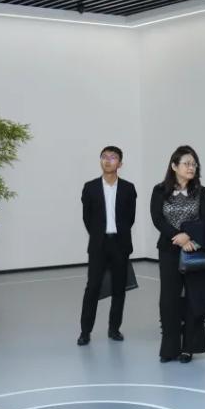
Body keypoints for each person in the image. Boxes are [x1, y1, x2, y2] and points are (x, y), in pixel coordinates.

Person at [150, 146, 205, 364]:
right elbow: (157, 219)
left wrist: (189, 237)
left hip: (195, 249)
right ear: (174, 166)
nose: (191, 167)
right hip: (169, 250)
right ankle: (169, 347)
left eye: (194, 164)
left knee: (194, 298)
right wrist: (178, 236)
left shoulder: (201, 191)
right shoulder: (159, 190)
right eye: (187, 163)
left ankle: (189, 348)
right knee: (169, 299)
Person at [77, 146, 137, 346]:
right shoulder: (90, 187)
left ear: (120, 163)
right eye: (104, 157)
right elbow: (87, 218)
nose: (108, 160)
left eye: (113, 157)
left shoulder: (128, 188)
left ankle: (114, 329)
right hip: (98, 245)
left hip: (120, 244)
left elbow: (130, 218)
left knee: (119, 289)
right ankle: (85, 331)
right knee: (92, 287)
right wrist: (98, 234)